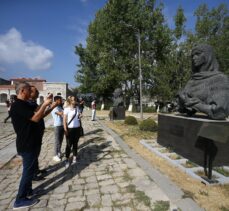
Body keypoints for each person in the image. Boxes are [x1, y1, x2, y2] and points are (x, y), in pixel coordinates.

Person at [10, 82, 53, 209]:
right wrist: (45, 104)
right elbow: (35, 118)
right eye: (29, 90)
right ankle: (20, 199)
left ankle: (28, 191)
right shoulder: (18, 105)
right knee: (28, 172)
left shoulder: (24, 104)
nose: (31, 92)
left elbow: (37, 114)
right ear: (23, 90)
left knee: (29, 170)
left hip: (31, 142)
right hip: (27, 143)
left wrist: (45, 105)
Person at [177, 44, 229, 120]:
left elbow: (220, 112)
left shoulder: (220, 79)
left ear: (208, 55)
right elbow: (184, 110)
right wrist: (181, 99)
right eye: (192, 56)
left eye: (197, 54)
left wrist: (195, 104)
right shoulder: (192, 80)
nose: (194, 58)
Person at [63, 96, 82, 168]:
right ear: (70, 101)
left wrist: (80, 116)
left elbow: (78, 117)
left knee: (75, 144)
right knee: (68, 145)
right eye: (73, 100)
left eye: (75, 99)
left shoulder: (77, 108)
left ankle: (74, 157)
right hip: (70, 129)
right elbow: (64, 121)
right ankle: (67, 159)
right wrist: (65, 130)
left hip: (77, 129)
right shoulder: (66, 109)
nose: (75, 101)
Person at [51, 96, 64, 162]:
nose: (61, 101)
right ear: (56, 100)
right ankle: (55, 155)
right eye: (60, 100)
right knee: (57, 141)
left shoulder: (60, 107)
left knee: (61, 140)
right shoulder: (54, 108)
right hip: (57, 126)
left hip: (62, 125)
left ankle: (59, 152)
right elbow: (61, 113)